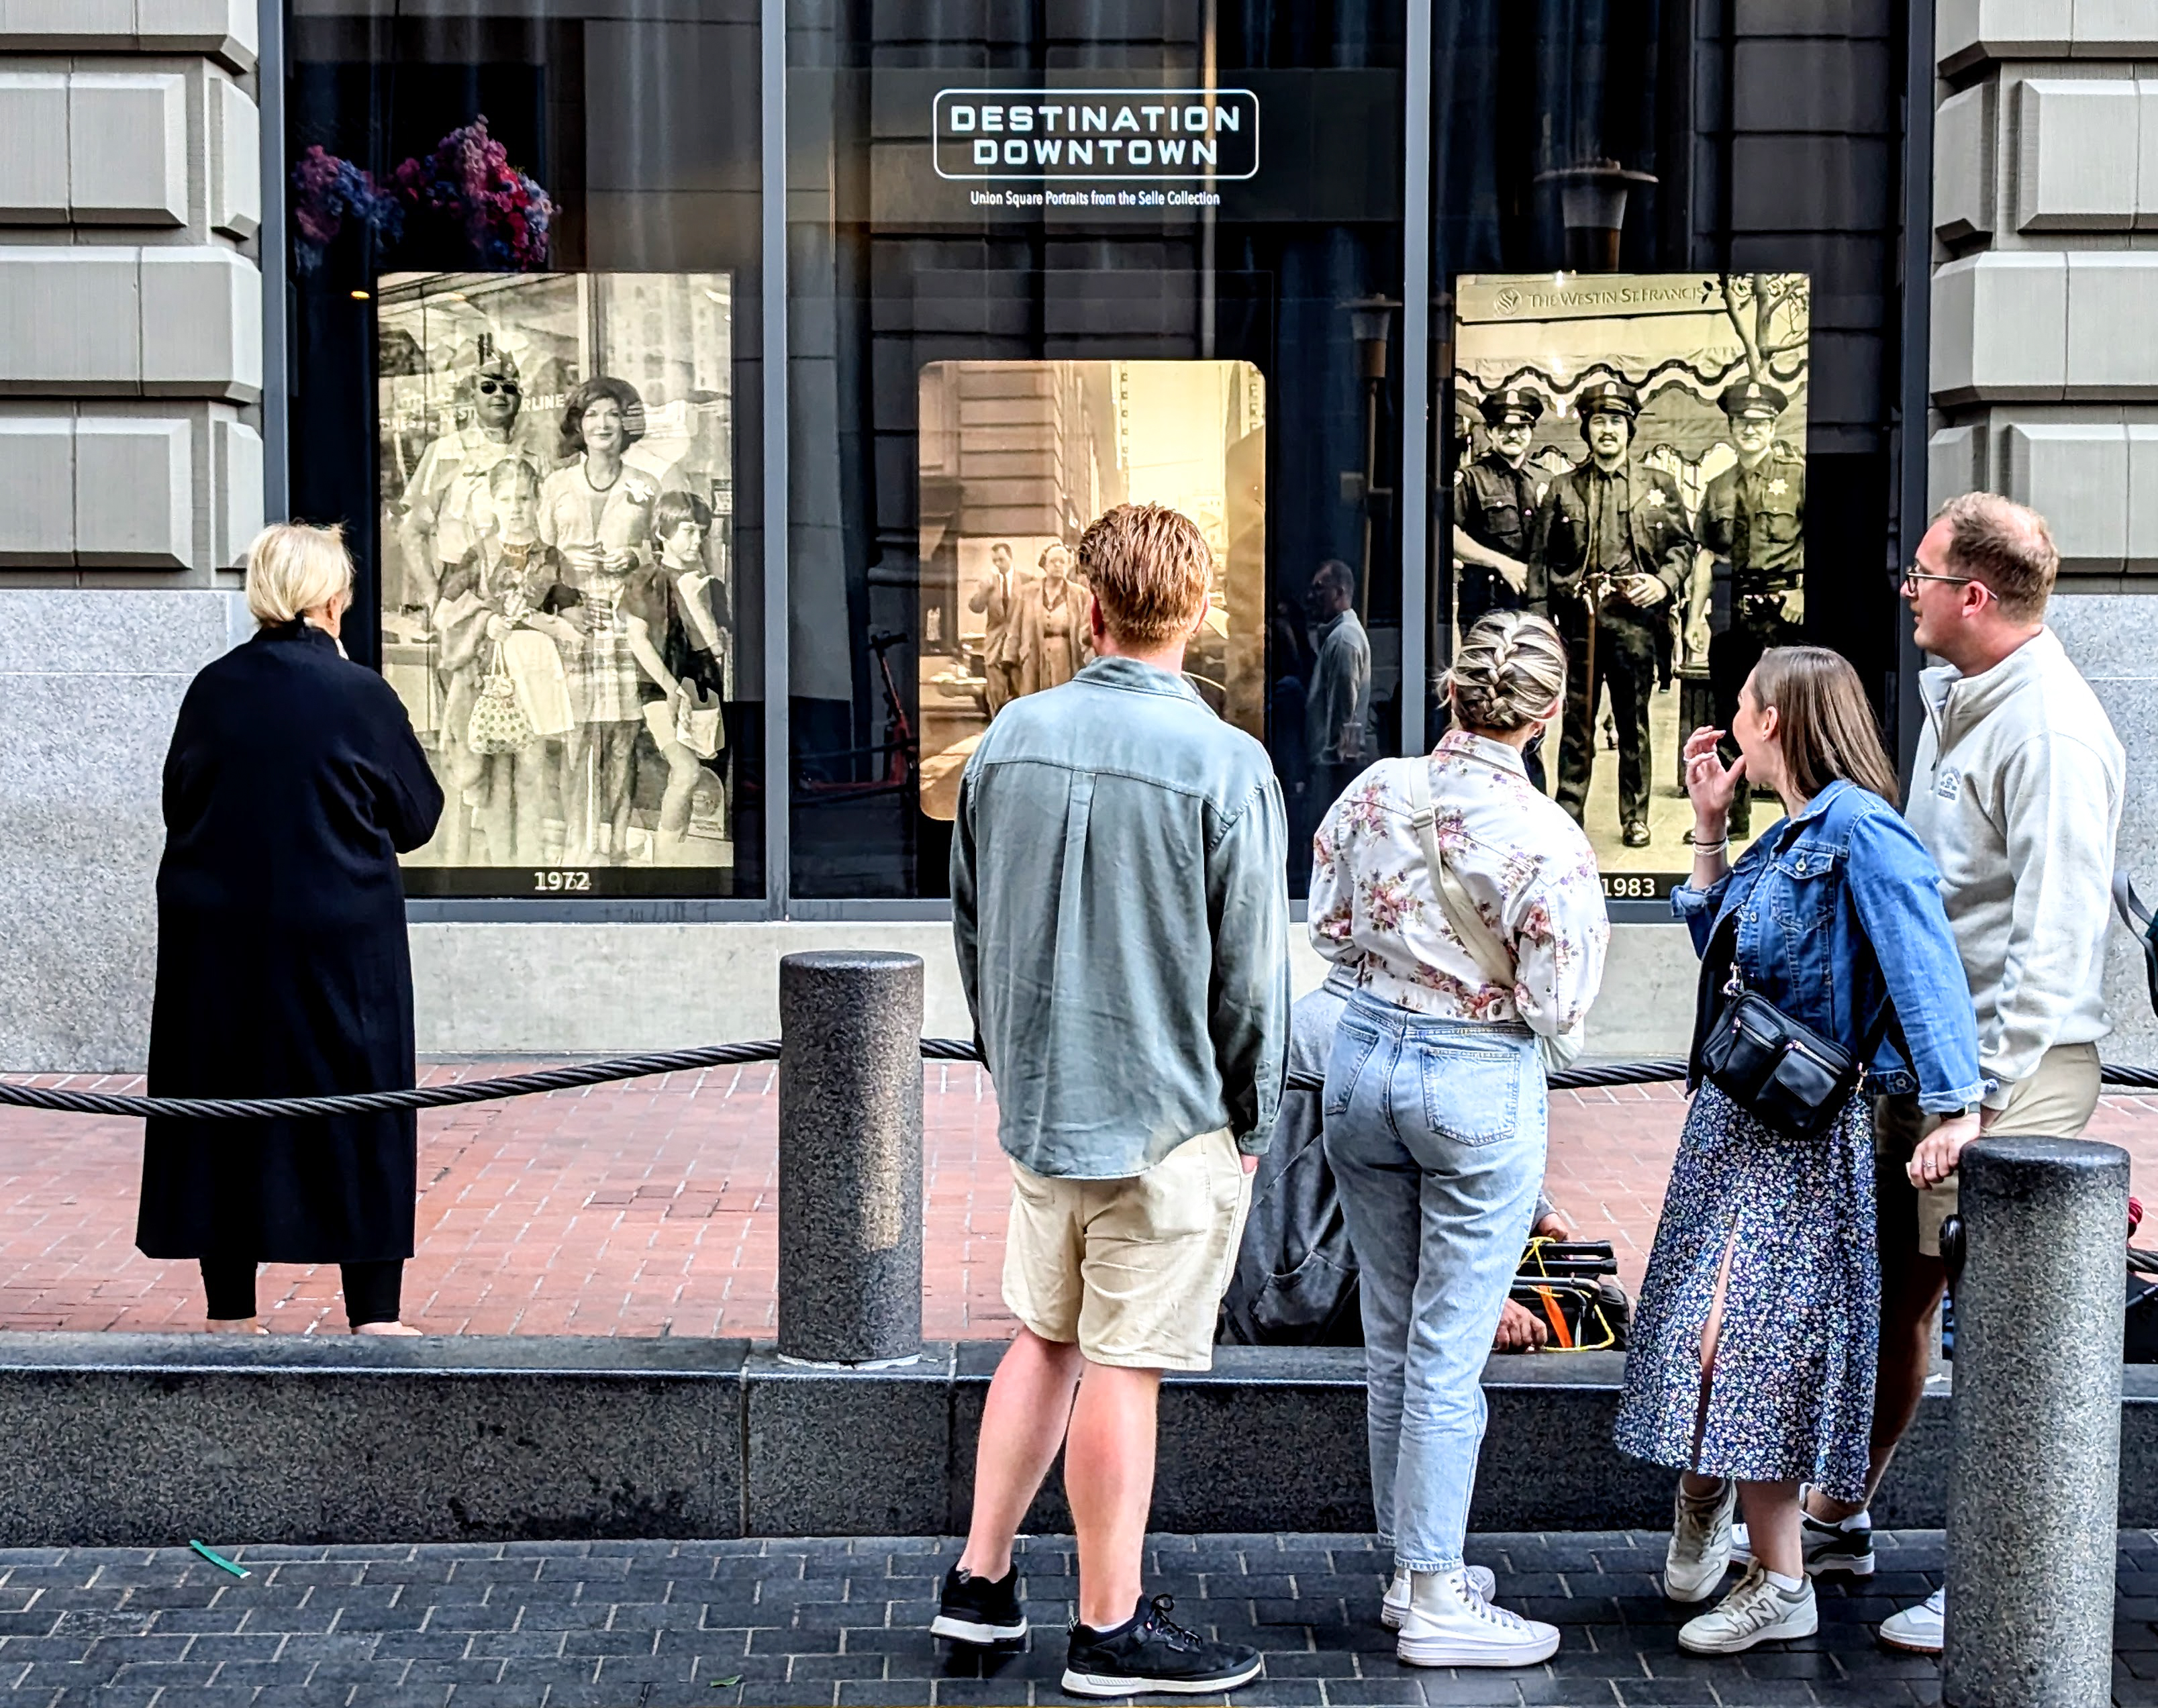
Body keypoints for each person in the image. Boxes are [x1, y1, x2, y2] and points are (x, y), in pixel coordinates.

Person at [940, 502, 1289, 1697]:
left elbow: (974, 930)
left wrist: (1015, 1064)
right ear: (1197, 612)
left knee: (1043, 1338)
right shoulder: (1226, 762)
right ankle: (1110, 1626)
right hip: (1169, 1112)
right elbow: (1252, 973)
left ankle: (979, 1588)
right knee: (1122, 1365)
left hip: (1049, 1103)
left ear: (1091, 606)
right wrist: (1251, 1121)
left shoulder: (1007, 740)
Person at [1791, 495, 2125, 1657]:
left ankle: (1999, 1582)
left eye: (1924, 574)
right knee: (1897, 1303)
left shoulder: (2052, 732)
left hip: (2005, 1073)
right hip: (1936, 1060)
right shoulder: (1961, 698)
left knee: (2011, 1329)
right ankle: (1839, 1515)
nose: (1908, 589)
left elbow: (2055, 940)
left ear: (1975, 597)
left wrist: (1968, 1100)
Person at [1613, 646, 1983, 1658]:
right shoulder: (1791, 836)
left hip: (1795, 1134)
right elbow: (1727, 961)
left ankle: (1776, 1578)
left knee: (1747, 1345)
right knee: (1705, 1332)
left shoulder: (1862, 832)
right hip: (1731, 1124)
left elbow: (1924, 969)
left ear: (1772, 719)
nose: (1727, 717)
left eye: (1739, 703)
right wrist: (1704, 834)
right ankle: (1709, 1507)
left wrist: (1955, 1107)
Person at [1309, 610, 1610, 1668]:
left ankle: (1408, 1561)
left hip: (1362, 1062)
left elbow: (1330, 933)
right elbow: (1560, 1001)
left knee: (1391, 1336)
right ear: (1548, 711)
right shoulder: (1550, 837)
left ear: (1449, 694)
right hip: (1474, 1076)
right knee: (1447, 1352)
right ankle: (1436, 1594)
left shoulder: (1374, 789)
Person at [138, 523, 445, 1335]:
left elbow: (179, 801)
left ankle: (229, 1307)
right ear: (327, 598)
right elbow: (417, 818)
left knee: (223, 1102)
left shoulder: (212, 687)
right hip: (338, 937)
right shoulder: (359, 694)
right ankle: (373, 1311)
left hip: (219, 938)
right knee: (359, 1102)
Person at [1218, 965, 1582, 1353]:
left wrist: (1536, 1209)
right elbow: (1416, 1177)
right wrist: (1475, 1300)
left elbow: (1451, 1138)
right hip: (1300, 1295)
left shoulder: (1340, 1018)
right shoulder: (1377, 1038)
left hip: (1283, 1283)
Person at [1528, 379, 1694, 848]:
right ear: (1586, 429)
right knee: (1576, 724)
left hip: (1634, 623)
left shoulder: (1657, 487)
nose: (1607, 430)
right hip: (1577, 623)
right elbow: (1538, 562)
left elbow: (1683, 546)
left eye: (1616, 422)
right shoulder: (1561, 489)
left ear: (1629, 430)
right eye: (1598, 421)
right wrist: (1541, 624)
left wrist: (1661, 582)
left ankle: (1634, 816)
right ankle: (1568, 813)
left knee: (1632, 723)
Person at [432, 457, 584, 865]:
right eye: (505, 498)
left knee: (533, 774)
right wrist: (486, 619)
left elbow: (575, 629)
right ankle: (501, 869)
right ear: (492, 503)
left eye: (522, 497)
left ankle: (529, 868)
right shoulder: (477, 556)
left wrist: (531, 619)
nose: (515, 508)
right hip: (487, 682)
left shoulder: (553, 559)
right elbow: (442, 616)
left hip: (535, 681)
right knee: (495, 781)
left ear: (536, 501)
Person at [540, 376, 656, 863]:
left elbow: (661, 554)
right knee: (575, 739)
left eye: (612, 414)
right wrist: (567, 570)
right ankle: (577, 842)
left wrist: (633, 557)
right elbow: (539, 556)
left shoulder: (644, 486)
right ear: (578, 425)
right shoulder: (556, 484)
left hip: (625, 621)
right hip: (573, 622)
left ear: (626, 423)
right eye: (592, 415)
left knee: (623, 739)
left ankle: (613, 840)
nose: (602, 424)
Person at [1695, 381, 1805, 838]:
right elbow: (1705, 554)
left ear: (1773, 426)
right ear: (1732, 427)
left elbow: (1822, 539)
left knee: (1790, 715)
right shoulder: (1718, 486)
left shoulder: (1797, 477)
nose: (1750, 430)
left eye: (1759, 423)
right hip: (1731, 611)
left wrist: (1805, 592)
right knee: (1729, 714)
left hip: (1783, 610)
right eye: (1743, 423)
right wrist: (1691, 621)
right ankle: (1732, 818)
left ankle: (1797, 816)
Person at [624, 491, 732, 861]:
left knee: (696, 775)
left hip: (703, 693)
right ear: (664, 532)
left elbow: (717, 648)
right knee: (685, 771)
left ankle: (675, 857)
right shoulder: (646, 579)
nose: (696, 540)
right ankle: (664, 862)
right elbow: (637, 640)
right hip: (659, 690)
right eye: (688, 530)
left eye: (701, 532)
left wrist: (697, 603)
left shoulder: (709, 585)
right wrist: (671, 690)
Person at [1452, 388, 1544, 630]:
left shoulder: (1546, 480)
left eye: (1521, 428)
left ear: (1531, 431)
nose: (1513, 435)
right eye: (1504, 428)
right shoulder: (1471, 479)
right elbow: (1449, 535)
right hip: (1486, 602)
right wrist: (1502, 563)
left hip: (1535, 604)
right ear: (1490, 432)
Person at [1304, 558, 1375, 814]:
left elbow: (1344, 715)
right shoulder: (1338, 636)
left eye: (1319, 588)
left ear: (1340, 592)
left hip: (1332, 771)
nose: (1312, 596)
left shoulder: (1344, 639)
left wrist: (1332, 769)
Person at [1014, 541, 1090, 697]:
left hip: (1066, 660)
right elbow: (1014, 629)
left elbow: (1087, 633)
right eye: (1053, 561)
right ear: (1044, 565)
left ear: (1069, 565)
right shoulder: (1028, 593)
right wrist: (1010, 661)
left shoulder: (1080, 595)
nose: (1058, 565)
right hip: (1034, 657)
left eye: (1062, 561)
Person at [969, 541, 1022, 716]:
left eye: (1001, 559)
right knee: (996, 693)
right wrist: (985, 590)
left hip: (1019, 644)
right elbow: (975, 607)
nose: (999, 564)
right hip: (995, 645)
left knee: (1021, 691)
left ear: (1011, 558)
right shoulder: (988, 584)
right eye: (995, 561)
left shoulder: (1027, 581)